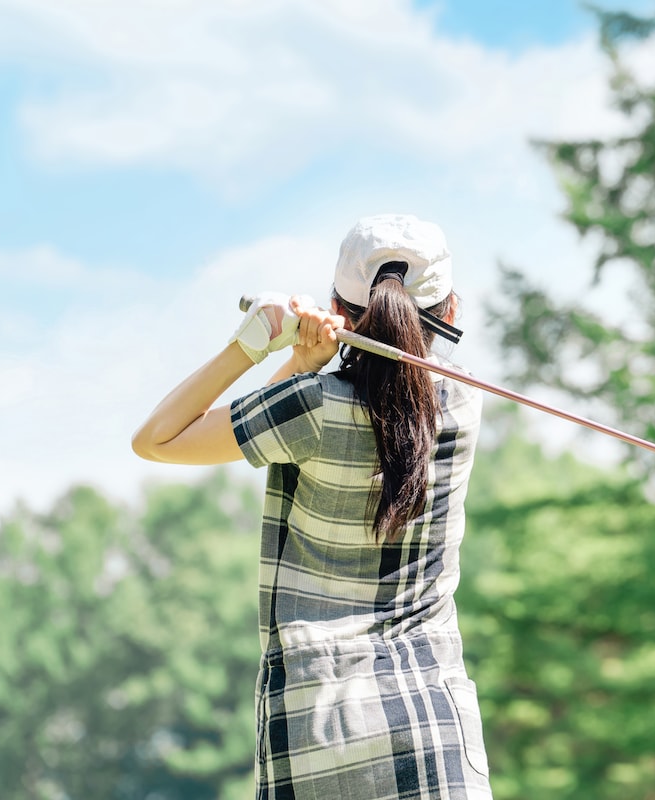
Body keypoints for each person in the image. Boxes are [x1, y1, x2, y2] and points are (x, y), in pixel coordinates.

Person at [132, 214, 491, 799]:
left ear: (339, 312)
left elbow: (156, 438)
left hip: (313, 732)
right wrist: (308, 369)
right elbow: (400, 393)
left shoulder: (307, 409)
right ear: (451, 314)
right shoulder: (465, 405)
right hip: (434, 731)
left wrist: (259, 349)